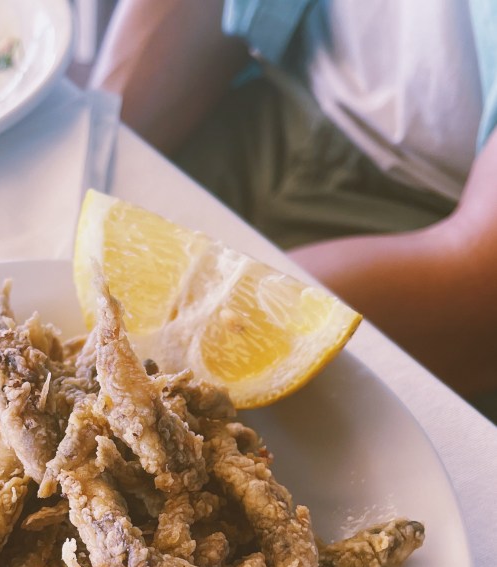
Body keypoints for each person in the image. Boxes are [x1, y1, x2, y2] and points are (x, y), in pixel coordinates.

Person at [89, 0, 497, 415]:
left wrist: (189, 348)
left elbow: (481, 287)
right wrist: (94, 148)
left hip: (428, 214)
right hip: (282, 102)